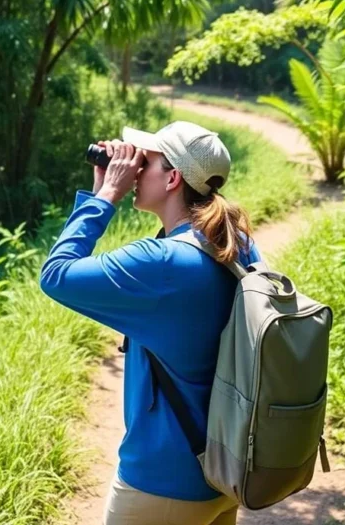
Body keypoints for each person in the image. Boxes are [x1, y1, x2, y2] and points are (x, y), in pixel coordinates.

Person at [39, 121, 262, 525]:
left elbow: (55, 275)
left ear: (173, 177)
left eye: (147, 160)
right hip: (224, 473)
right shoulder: (235, 241)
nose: (135, 167)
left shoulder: (159, 264)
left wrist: (105, 194)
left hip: (162, 484)